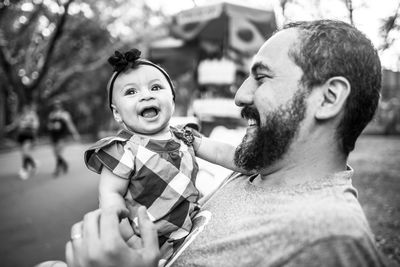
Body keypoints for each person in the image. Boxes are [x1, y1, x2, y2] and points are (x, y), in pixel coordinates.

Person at [46, 19, 387, 267]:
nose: (239, 96)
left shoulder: (330, 239)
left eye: (261, 76)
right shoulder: (262, 164)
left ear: (328, 98)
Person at [83, 48, 250, 262]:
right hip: (144, 238)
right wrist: (120, 220)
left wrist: (249, 162)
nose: (146, 95)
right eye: (131, 92)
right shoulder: (123, 149)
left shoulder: (185, 136)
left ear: (171, 99)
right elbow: (110, 193)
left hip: (189, 226)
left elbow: (219, 151)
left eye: (155, 87)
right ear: (117, 113)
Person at [6, 103, 40, 180]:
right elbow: (15, 124)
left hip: (29, 135)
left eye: (26, 107)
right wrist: (8, 128)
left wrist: (29, 124)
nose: (25, 109)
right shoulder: (21, 115)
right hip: (21, 136)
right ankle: (34, 164)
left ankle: (24, 170)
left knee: (25, 152)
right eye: (23, 108)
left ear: (28, 108)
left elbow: (36, 125)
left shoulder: (32, 115)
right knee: (23, 154)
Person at [47, 99, 80, 177]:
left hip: (62, 135)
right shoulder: (51, 115)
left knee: (58, 152)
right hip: (54, 135)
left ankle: (57, 169)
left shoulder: (65, 114)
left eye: (58, 104)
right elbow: (48, 125)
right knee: (55, 153)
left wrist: (75, 134)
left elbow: (70, 124)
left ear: (61, 105)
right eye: (55, 104)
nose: (56, 106)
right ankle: (65, 164)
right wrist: (51, 126)